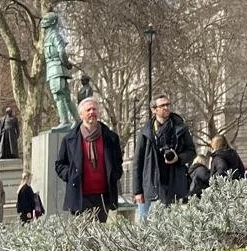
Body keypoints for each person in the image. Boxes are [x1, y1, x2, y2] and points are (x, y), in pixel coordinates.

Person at [55, 96, 124, 221]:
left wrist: (115, 175)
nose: (92, 112)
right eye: (88, 110)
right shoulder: (70, 139)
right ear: (81, 115)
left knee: (100, 235)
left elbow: (118, 162)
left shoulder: (111, 137)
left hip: (103, 196)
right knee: (83, 236)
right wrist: (71, 176)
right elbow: (60, 164)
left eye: (94, 109)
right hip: (80, 196)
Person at [132, 94, 196, 224]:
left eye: (168, 105)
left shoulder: (180, 128)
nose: (166, 108)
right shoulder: (145, 132)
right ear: (154, 110)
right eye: (162, 106)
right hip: (151, 185)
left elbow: (191, 152)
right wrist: (137, 191)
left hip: (174, 184)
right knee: (146, 227)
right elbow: (137, 163)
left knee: (173, 226)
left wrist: (178, 158)